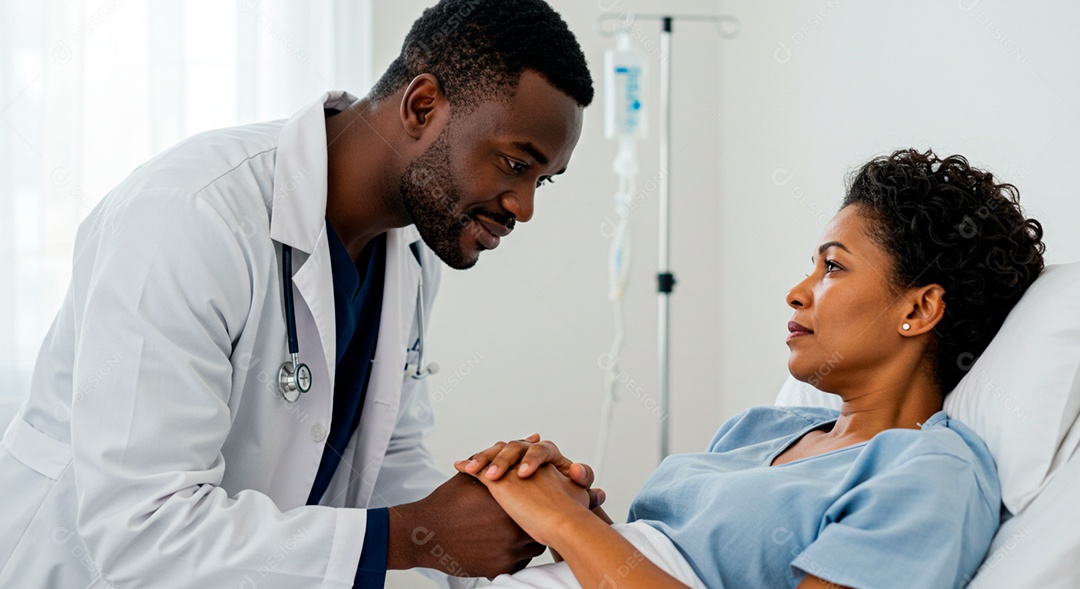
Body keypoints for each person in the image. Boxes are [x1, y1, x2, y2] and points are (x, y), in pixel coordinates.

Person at [0, 1, 600, 587]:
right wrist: (411, 535)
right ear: (422, 106)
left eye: (542, 180)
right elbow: (142, 531)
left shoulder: (412, 255)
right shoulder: (191, 215)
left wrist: (523, 515)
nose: (524, 207)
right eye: (514, 164)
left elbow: (382, 460)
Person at [456, 149, 1047, 588]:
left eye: (833, 268)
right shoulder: (759, 429)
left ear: (917, 310)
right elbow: (650, 563)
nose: (797, 292)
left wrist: (564, 524)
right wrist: (569, 502)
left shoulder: (930, 472)